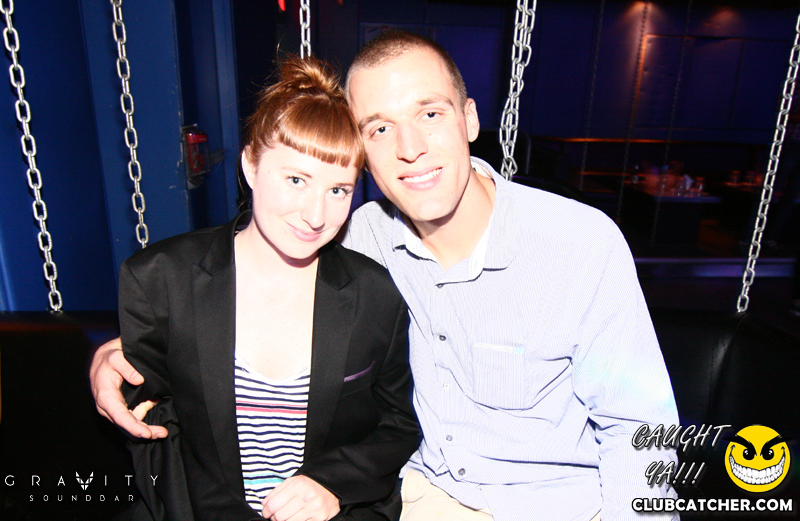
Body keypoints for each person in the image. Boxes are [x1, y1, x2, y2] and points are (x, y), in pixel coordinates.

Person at [92, 31, 678, 520]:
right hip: (422, 499)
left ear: (470, 119)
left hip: (556, 505)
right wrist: (118, 352)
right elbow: (241, 280)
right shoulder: (351, 235)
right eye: (378, 128)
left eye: (430, 114)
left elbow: (640, 428)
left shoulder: (577, 242)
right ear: (359, 152)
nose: (410, 148)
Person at [112, 54, 420, 521]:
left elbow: (397, 424)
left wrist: (332, 483)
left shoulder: (374, 294)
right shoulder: (159, 278)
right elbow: (152, 428)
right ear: (251, 166)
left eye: (338, 190)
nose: (316, 215)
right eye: (296, 179)